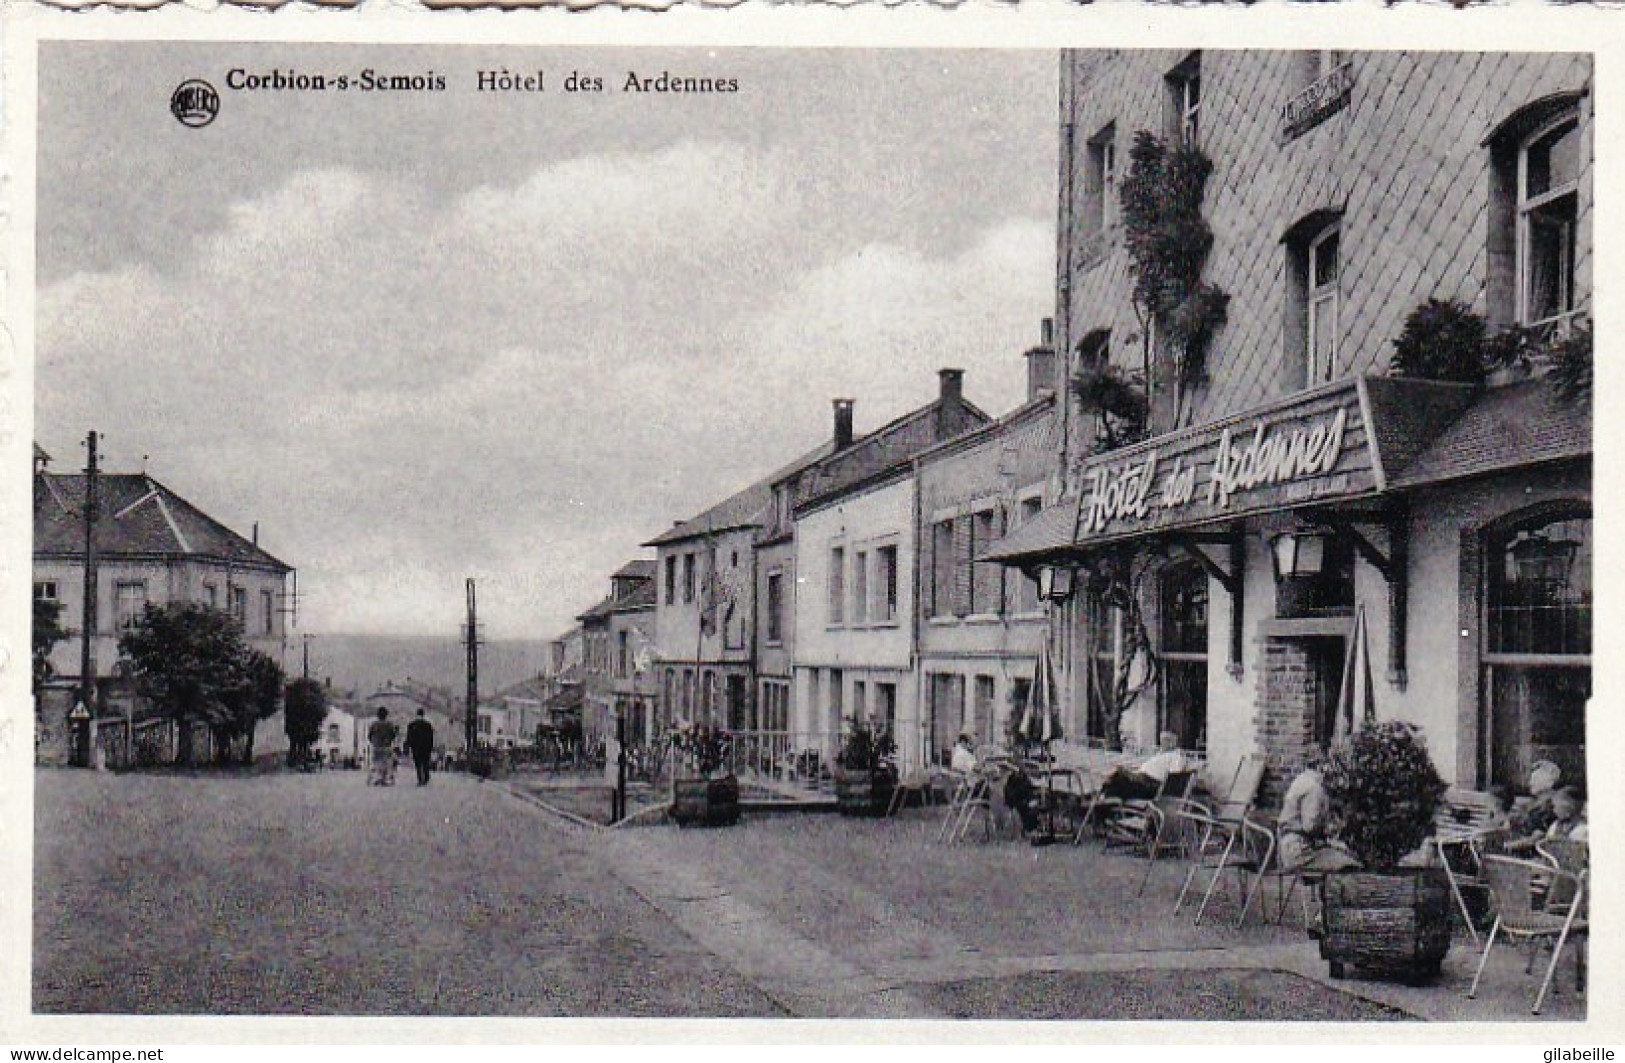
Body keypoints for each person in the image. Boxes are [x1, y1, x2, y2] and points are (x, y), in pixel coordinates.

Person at [1277, 750, 1360, 872]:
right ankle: (1337, 890)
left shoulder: (1301, 780)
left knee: (1338, 854)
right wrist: (1329, 838)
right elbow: (1310, 827)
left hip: (1287, 847)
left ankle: (1329, 889)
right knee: (1349, 862)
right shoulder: (1315, 788)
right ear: (1321, 767)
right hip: (1299, 852)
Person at [1101, 730, 1190, 800]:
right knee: (1116, 782)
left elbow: (1174, 776)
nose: (1163, 742)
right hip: (1143, 780)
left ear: (1174, 741)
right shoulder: (1161, 754)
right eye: (1162, 739)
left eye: (1166, 739)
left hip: (1150, 785)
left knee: (1118, 776)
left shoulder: (1177, 755)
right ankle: (1102, 800)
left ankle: (1100, 802)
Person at [368, 707, 399, 786]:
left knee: (377, 762)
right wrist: (389, 740)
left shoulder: (374, 724)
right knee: (387, 763)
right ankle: (385, 778)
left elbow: (370, 735)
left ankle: (378, 778)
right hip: (386, 746)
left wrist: (373, 741)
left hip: (377, 746)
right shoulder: (389, 724)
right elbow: (393, 735)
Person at [406, 708, 436, 787]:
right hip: (426, 747)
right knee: (425, 762)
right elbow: (431, 737)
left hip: (416, 747)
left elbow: (409, 737)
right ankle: (426, 777)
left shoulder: (412, 725)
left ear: (416, 714)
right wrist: (431, 747)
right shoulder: (428, 725)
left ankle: (420, 779)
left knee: (418, 763)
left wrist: (409, 746)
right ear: (423, 715)